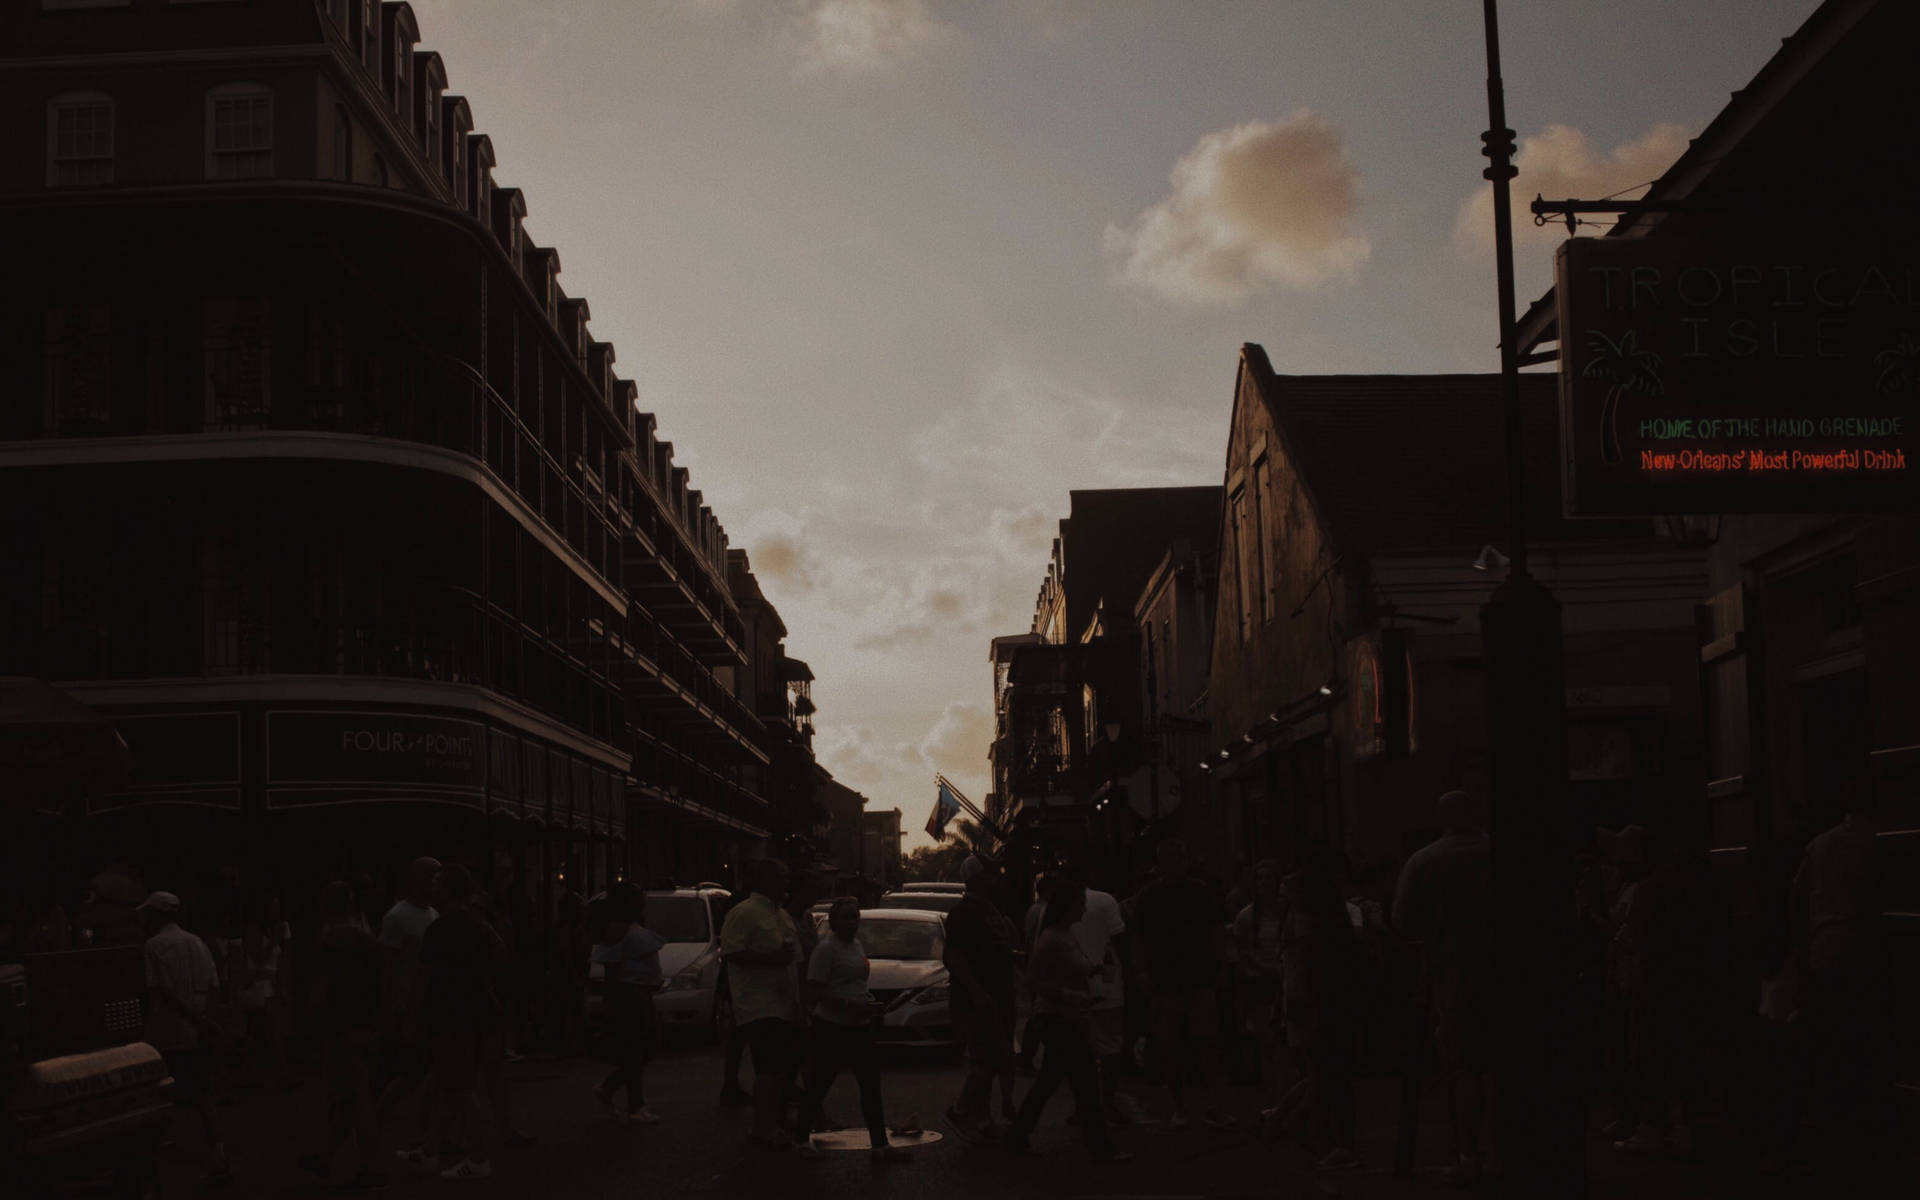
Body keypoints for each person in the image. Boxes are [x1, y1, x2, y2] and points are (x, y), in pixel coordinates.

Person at [1392, 789, 1492, 1185]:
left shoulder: (1425, 861)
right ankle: (1504, 1146)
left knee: (1465, 1066)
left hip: (1453, 973)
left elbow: (1402, 921)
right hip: (1509, 972)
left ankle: (1468, 1151)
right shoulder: (1502, 852)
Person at [1004, 880, 1132, 1162]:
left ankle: (1018, 1135)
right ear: (1068, 907)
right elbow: (1035, 980)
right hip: (1059, 1020)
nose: (1085, 908)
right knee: (1084, 1084)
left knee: (1051, 1082)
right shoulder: (1052, 938)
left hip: (1069, 1018)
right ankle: (1100, 1146)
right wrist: (1073, 997)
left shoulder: (1065, 934)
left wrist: (1093, 971)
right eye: (1080, 904)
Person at [792, 898, 913, 1163]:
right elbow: (815, 990)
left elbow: (855, 982)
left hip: (860, 1026)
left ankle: (880, 1145)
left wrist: (867, 1003)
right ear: (835, 922)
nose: (852, 922)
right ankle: (800, 1138)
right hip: (831, 1027)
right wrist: (849, 1004)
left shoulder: (856, 946)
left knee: (870, 1086)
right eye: (846, 917)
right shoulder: (826, 950)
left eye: (855, 917)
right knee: (820, 1083)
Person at [1132, 838, 1234, 1129]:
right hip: (1171, 980)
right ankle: (1189, 1105)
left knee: (1200, 1044)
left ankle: (1207, 1105)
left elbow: (1216, 933)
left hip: (1192, 978)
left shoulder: (1181, 894)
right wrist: (1142, 973)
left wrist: (1221, 967)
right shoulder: (1155, 897)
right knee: (1177, 1045)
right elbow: (1139, 941)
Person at [414, 863, 501, 1181]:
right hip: (473, 1012)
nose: (432, 889)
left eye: (437, 884)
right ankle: (430, 1149)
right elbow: (499, 952)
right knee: (444, 1082)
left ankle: (478, 1157)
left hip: (451, 1014)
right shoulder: (477, 924)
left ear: (448, 890)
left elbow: (424, 978)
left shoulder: (440, 929)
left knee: (460, 1087)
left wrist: (414, 1011)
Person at [139, 891, 233, 1185]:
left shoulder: (153, 947)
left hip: (172, 1031)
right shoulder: (198, 943)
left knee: (167, 1091)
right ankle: (217, 1151)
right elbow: (215, 986)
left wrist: (194, 1020)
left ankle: (170, 1148)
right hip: (201, 1029)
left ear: (156, 915)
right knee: (203, 1093)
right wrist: (207, 1022)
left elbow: (162, 993)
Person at [1279, 853, 1362, 1172]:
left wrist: (1293, 1002)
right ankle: (1331, 1136)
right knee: (1334, 1074)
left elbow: (1299, 967)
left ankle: (1298, 1124)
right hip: (1337, 1002)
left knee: (1321, 1071)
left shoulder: (1304, 920)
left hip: (1316, 1003)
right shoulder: (1336, 919)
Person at [303, 880, 387, 1190]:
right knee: (351, 1097)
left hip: (340, 1027)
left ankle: (374, 1168)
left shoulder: (329, 943)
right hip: (369, 1025)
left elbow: (321, 991)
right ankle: (325, 1158)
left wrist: (310, 1024)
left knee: (356, 1099)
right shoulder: (367, 941)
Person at [718, 858, 804, 1149]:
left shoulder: (782, 915)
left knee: (784, 1068)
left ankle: (774, 1121)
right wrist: (770, 960)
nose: (787, 882)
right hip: (759, 1004)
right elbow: (732, 952)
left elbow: (795, 959)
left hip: (786, 1003)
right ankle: (761, 1129)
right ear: (765, 880)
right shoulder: (743, 913)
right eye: (782, 877)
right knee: (768, 1068)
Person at [942, 854, 1018, 1143]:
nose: (998, 879)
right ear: (979, 878)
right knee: (988, 1060)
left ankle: (983, 1119)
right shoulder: (963, 912)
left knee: (993, 1058)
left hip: (1000, 996)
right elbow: (955, 956)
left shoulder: (991, 910)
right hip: (979, 1000)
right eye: (992, 874)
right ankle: (961, 1110)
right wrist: (977, 992)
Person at [377, 857, 440, 1160]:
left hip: (429, 1003)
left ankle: (426, 1131)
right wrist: (394, 1007)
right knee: (414, 1071)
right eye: (430, 878)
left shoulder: (434, 914)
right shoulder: (397, 917)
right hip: (409, 1004)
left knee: (426, 1071)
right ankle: (380, 1117)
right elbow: (386, 967)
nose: (434, 885)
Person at [1064, 868, 1135, 1124]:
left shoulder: (1058, 904)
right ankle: (1106, 1102)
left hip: (1073, 989)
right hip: (1107, 987)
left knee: (1078, 1050)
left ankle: (1085, 1105)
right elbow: (1120, 941)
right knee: (1111, 1048)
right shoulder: (1105, 900)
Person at [591, 884, 667, 1123]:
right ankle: (635, 1104)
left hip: (638, 993)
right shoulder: (619, 930)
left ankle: (611, 1089)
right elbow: (613, 969)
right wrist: (613, 1001)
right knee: (637, 1048)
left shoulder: (628, 928)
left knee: (643, 1048)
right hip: (630, 995)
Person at [1233, 860, 1286, 1094]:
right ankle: (1271, 1089)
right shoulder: (1246, 917)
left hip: (1285, 978)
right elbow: (1243, 953)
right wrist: (1267, 969)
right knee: (1265, 1039)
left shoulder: (1288, 912)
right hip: (1260, 980)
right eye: (1260, 878)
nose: (1264, 883)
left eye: (1269, 878)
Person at [1015, 873, 1056, 1077]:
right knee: (1040, 1014)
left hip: (1033, 965)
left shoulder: (1034, 909)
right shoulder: (1043, 911)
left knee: (1038, 1013)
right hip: (1039, 968)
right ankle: (1028, 1056)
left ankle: (1027, 1056)